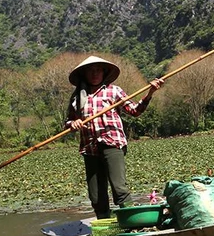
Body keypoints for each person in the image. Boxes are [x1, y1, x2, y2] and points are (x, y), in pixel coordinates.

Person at [66, 55, 163, 219]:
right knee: (96, 195)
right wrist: (73, 124)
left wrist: (150, 93)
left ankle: (133, 221)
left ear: (104, 73)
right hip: (89, 148)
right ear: (84, 74)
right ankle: (105, 223)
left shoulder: (114, 91)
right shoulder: (77, 98)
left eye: (98, 70)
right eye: (91, 71)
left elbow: (135, 111)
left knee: (119, 188)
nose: (95, 74)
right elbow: (69, 122)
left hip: (112, 142)